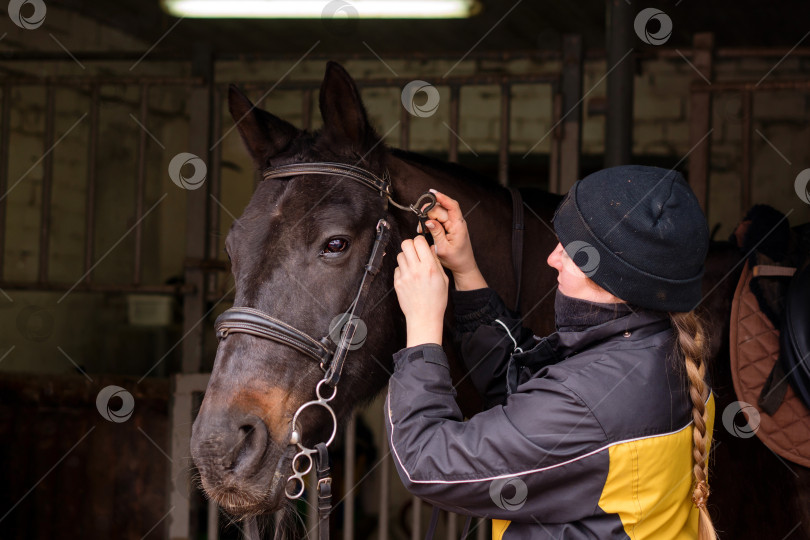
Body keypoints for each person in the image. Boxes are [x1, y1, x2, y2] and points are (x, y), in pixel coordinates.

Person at [387, 165, 716, 539]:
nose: (553, 258)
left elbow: (425, 462)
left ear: (616, 281)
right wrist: (466, 273)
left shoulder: (588, 402)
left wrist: (423, 326)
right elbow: (526, 398)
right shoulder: (662, 351)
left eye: (572, 251)